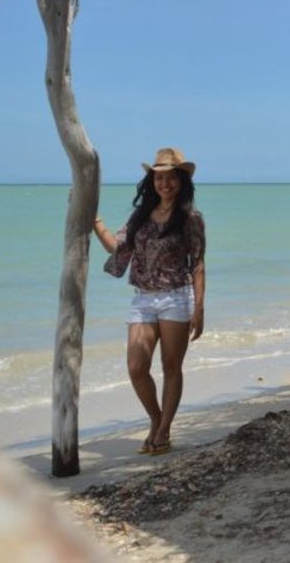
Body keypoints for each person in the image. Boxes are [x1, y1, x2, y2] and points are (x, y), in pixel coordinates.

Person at [93, 147, 205, 455]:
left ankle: (164, 431)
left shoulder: (190, 218)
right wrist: (94, 220)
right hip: (143, 299)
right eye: (159, 178)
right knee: (136, 366)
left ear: (181, 181)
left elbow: (197, 263)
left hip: (176, 298)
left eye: (170, 178)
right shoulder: (140, 216)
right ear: (151, 181)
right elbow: (118, 249)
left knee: (171, 367)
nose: (164, 184)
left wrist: (199, 307)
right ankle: (156, 419)